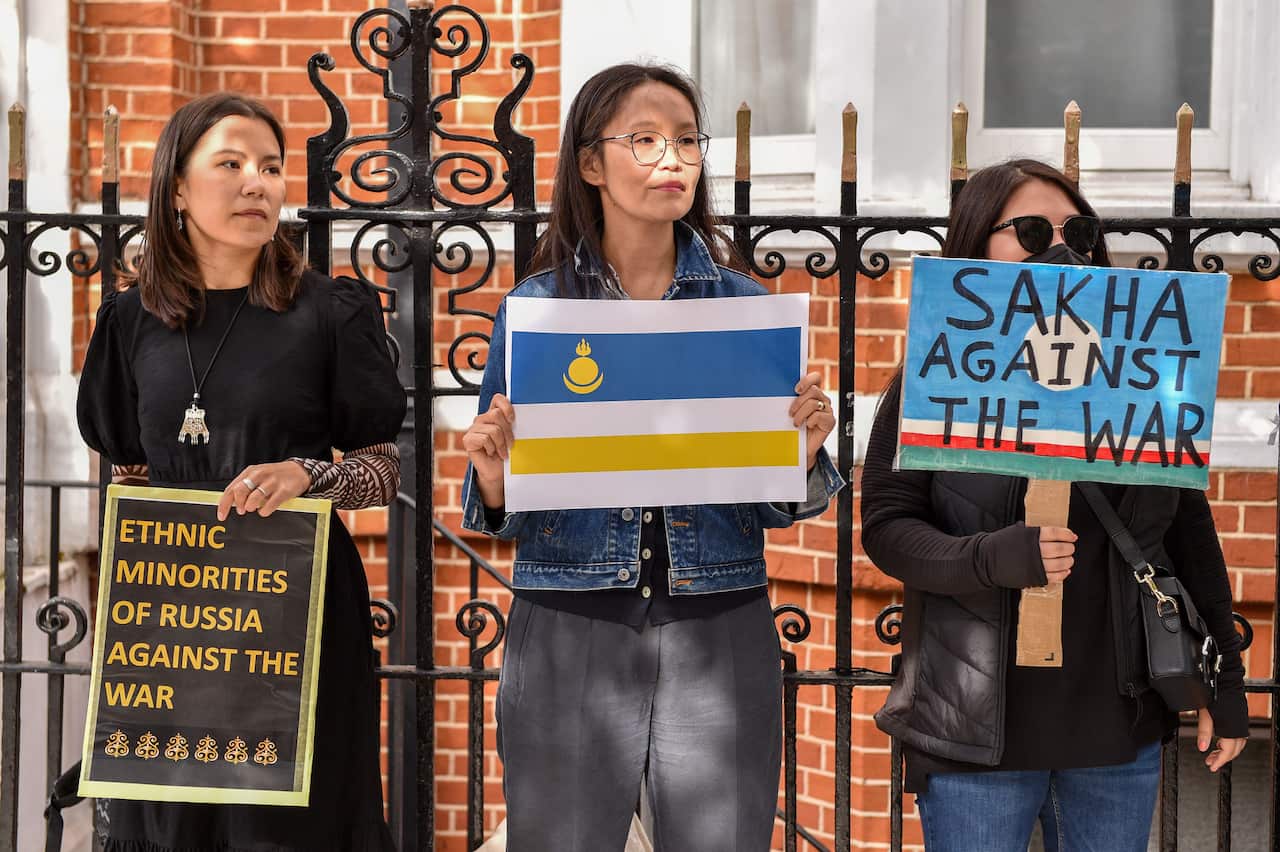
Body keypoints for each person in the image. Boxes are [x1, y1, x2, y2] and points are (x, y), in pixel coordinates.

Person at [460, 63, 845, 852]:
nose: (673, 158)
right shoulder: (536, 310)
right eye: (645, 140)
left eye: (687, 140)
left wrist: (803, 455)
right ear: (591, 163)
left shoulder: (744, 309)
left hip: (720, 618)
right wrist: (494, 480)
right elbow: (502, 507)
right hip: (568, 621)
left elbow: (775, 504)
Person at [860, 158, 1248, 852]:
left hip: (1115, 732)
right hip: (975, 735)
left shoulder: (1145, 378)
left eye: (1080, 232)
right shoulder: (934, 379)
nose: (1063, 249)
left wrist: (1226, 684)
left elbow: (1189, 535)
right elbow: (888, 529)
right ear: (977, 244)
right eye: (1034, 232)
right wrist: (989, 558)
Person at [77, 93, 404, 851]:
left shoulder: (329, 312)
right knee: (174, 827)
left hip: (297, 617)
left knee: (288, 826)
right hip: (176, 627)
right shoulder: (129, 322)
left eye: (270, 167)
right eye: (230, 164)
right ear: (177, 188)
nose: (257, 182)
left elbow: (381, 470)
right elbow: (130, 474)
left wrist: (307, 476)